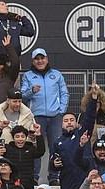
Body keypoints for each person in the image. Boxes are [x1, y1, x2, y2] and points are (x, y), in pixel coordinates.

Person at [21, 48, 69, 177]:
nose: (40, 61)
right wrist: (32, 91)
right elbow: (23, 96)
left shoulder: (56, 74)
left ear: (47, 59)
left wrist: (61, 111)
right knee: (36, 147)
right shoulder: (28, 76)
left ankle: (54, 176)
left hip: (55, 117)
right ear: (33, 61)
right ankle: (34, 177)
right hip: (36, 117)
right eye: (37, 59)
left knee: (56, 147)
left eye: (42, 58)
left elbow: (64, 93)